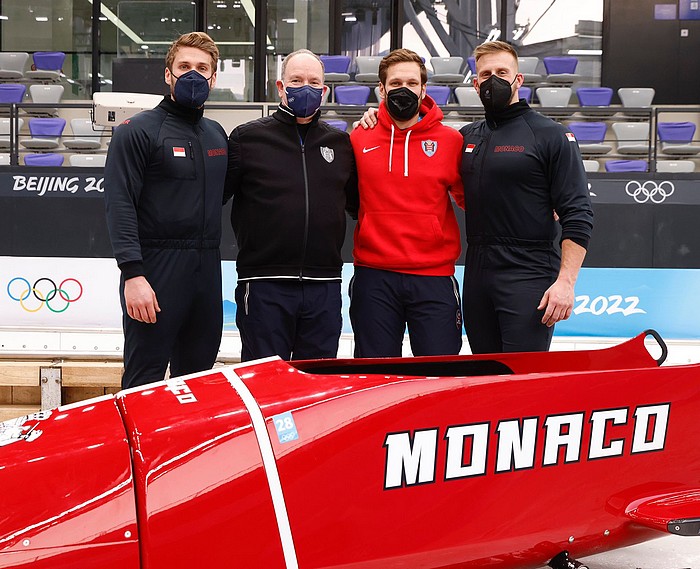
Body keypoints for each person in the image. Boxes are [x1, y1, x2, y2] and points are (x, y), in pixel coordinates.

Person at [104, 32, 228, 388]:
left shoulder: (217, 134)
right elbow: (119, 203)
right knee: (144, 381)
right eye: (184, 66)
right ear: (168, 74)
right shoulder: (137, 131)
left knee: (198, 381)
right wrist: (133, 274)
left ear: (214, 78)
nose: (193, 74)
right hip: (156, 272)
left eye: (202, 68)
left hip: (206, 270)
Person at [224, 49, 357, 362]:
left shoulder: (340, 144)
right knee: (265, 386)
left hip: (323, 286)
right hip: (263, 285)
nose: (305, 87)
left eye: (313, 82)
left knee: (318, 385)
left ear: (324, 91)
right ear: (280, 87)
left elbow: (356, 205)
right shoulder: (247, 139)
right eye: (296, 80)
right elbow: (215, 197)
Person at [460, 41, 593, 353]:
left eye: (502, 72)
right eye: (486, 74)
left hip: (528, 271)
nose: (494, 79)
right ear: (476, 84)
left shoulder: (550, 135)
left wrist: (566, 283)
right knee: (484, 376)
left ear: (518, 80)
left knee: (522, 381)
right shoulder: (467, 136)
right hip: (477, 272)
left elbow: (578, 213)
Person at [349, 48, 465, 358]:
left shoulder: (450, 141)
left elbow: (474, 199)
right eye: (396, 82)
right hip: (374, 277)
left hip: (434, 278)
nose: (404, 89)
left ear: (424, 89)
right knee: (373, 377)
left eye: (412, 83)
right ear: (382, 89)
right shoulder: (360, 136)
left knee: (439, 377)